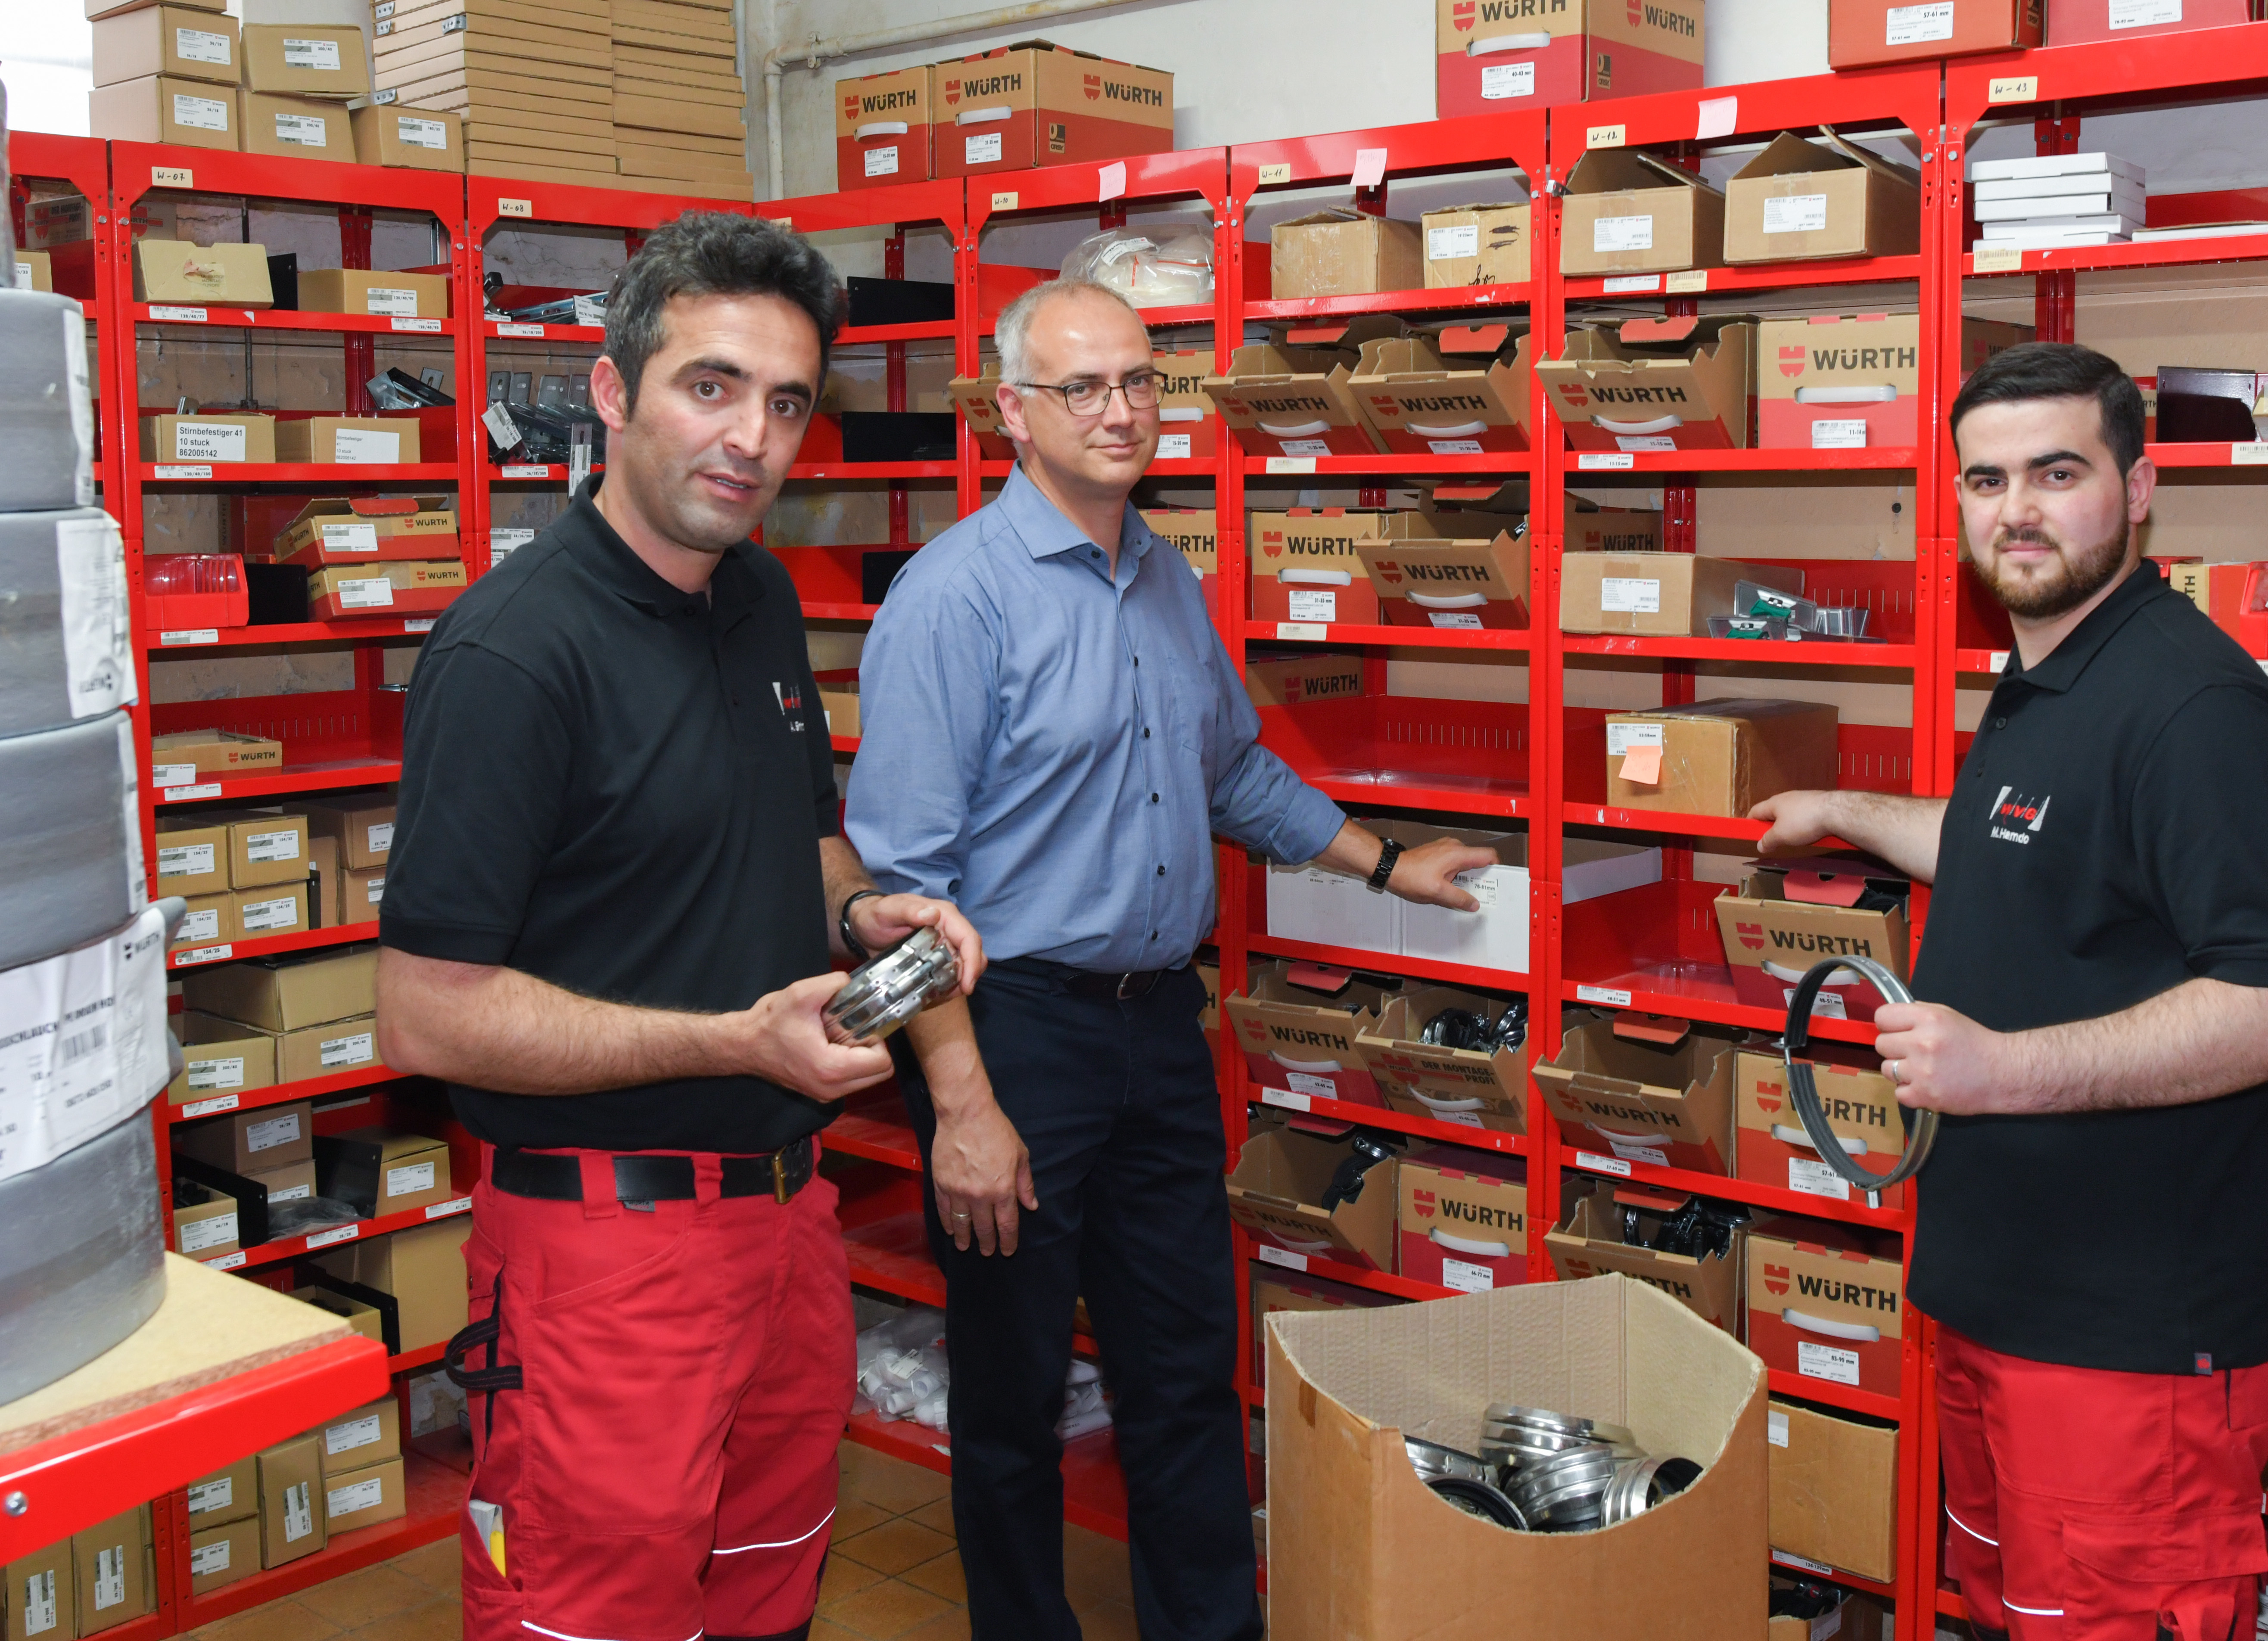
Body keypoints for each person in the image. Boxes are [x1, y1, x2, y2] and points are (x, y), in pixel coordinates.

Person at [846, 277, 1497, 1641]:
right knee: (1014, 1392)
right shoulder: (951, 600)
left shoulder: (1163, 575)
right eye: (1082, 386)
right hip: (1006, 1028)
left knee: (1185, 1372)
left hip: (1154, 1029)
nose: (1120, 409)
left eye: (1141, 380)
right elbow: (901, 888)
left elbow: (1232, 772)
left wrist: (1384, 862)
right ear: (1011, 412)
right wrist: (960, 1104)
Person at [376, 211, 985, 1641]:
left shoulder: (755, 599)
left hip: (781, 1227)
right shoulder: (511, 657)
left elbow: (800, 831)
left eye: (783, 403)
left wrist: (861, 908)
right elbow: (425, 1010)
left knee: (767, 1584)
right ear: (611, 390)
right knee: (591, 1616)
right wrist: (733, 1040)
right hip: (606, 1258)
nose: (750, 439)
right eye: (708, 386)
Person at [1749, 341, 2268, 1641]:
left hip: (2131, 1337)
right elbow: (2020, 835)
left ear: (2137, 489)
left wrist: (1997, 1069)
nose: (2014, 507)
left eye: (2056, 471)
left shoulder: (2195, 711)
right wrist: (1846, 810)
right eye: (1985, 478)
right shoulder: (2051, 672)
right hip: (1999, 1292)